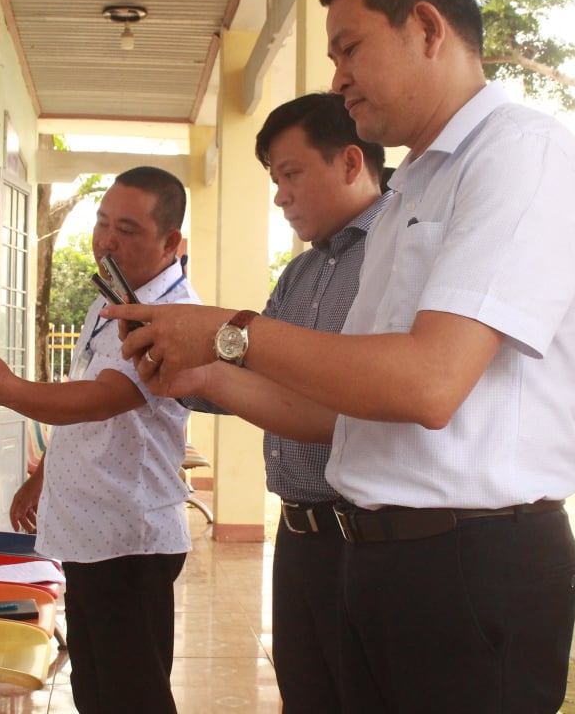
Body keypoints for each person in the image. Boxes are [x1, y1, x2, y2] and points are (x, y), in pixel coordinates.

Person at [102, 0, 575, 714]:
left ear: (428, 28)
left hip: (470, 566)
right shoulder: (410, 194)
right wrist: (202, 372)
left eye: (350, 49)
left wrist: (230, 331)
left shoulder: (521, 157)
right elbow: (339, 414)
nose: (338, 79)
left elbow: (430, 383)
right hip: (377, 562)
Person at [0, 166, 199, 714]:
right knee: (96, 690)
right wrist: (43, 476)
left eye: (127, 230)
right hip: (91, 531)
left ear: (170, 241)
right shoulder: (110, 297)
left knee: (133, 696)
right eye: (102, 223)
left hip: (128, 538)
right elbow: (85, 393)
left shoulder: (172, 314)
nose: (106, 240)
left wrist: (6, 389)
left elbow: (108, 397)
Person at [182, 91, 389, 712]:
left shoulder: (398, 257)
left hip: (371, 539)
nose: (280, 195)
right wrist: (185, 373)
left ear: (351, 162)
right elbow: (263, 385)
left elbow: (363, 398)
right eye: (274, 179)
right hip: (300, 537)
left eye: (291, 174)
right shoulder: (299, 275)